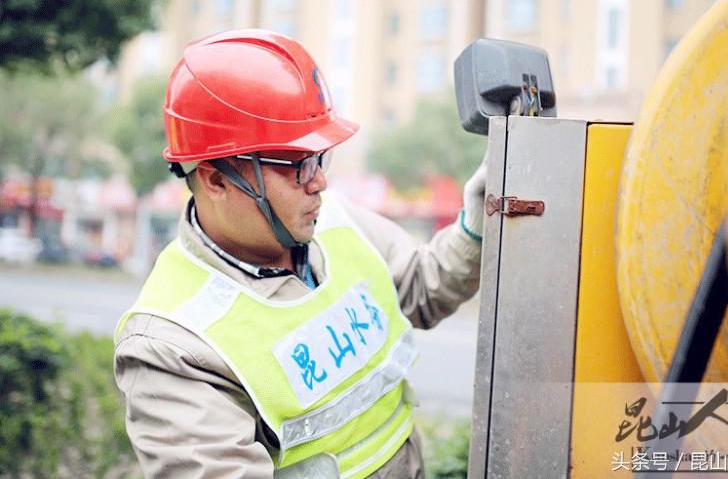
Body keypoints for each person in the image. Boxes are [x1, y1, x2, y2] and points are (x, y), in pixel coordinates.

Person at [114, 29, 486, 478]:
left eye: (319, 157)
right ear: (215, 179)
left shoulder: (336, 223)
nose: (319, 182)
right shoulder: (172, 344)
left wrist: (475, 225)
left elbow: (422, 287)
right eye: (296, 163)